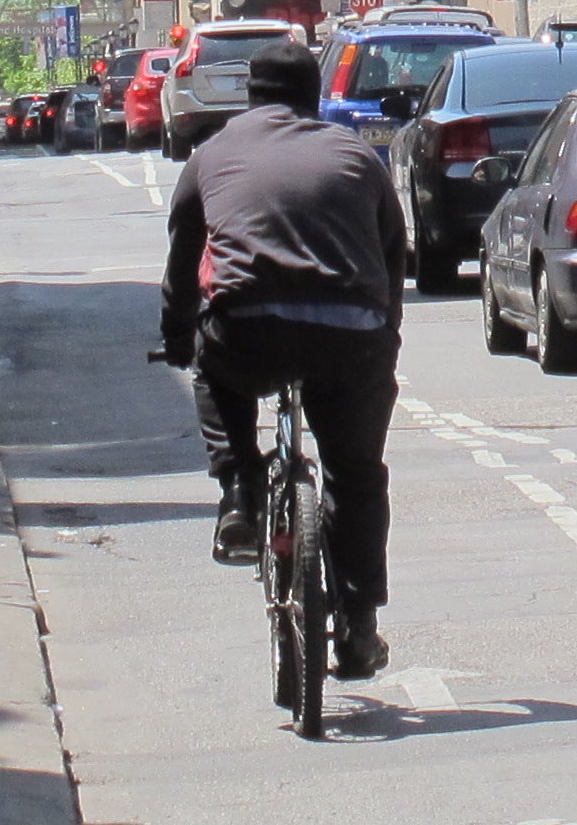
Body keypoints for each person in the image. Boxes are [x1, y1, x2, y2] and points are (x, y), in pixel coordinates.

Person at [158, 35, 402, 683]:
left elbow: (184, 259)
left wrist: (179, 336)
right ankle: (359, 627)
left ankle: (239, 492)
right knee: (356, 474)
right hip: (352, 335)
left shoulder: (211, 154)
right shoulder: (356, 154)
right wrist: (385, 339)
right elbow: (393, 253)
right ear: (313, 97)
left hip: (248, 330)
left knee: (213, 370)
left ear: (249, 96)